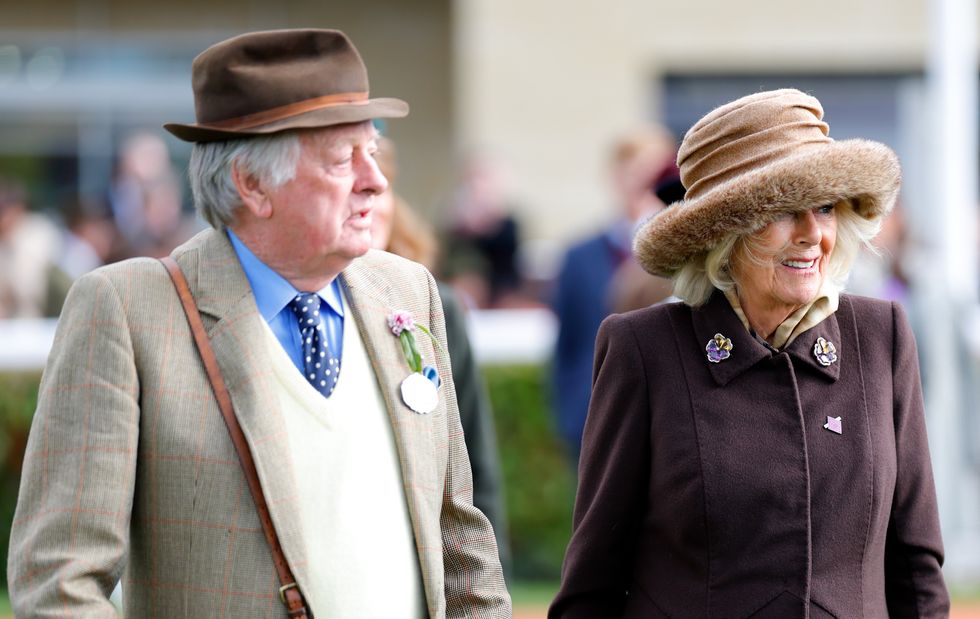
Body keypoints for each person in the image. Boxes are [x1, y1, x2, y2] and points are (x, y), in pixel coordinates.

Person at [8, 29, 510, 618]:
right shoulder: (126, 309)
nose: (375, 180)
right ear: (252, 185)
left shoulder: (407, 292)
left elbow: (461, 541)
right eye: (342, 159)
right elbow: (59, 584)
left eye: (372, 151)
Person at [550, 89, 948, 617]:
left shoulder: (881, 336)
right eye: (784, 211)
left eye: (825, 208)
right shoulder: (644, 350)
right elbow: (593, 584)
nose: (812, 234)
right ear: (724, 234)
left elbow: (916, 570)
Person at [370, 137, 512, 579]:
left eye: (380, 185)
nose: (367, 198)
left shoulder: (436, 307)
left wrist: (489, 580)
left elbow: (474, 461)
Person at [551, 126, 677, 465]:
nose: (643, 183)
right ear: (615, 178)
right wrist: (569, 417)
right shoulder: (578, 257)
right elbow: (567, 344)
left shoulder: (688, 256)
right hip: (592, 417)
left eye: (654, 172)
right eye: (634, 172)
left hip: (667, 418)